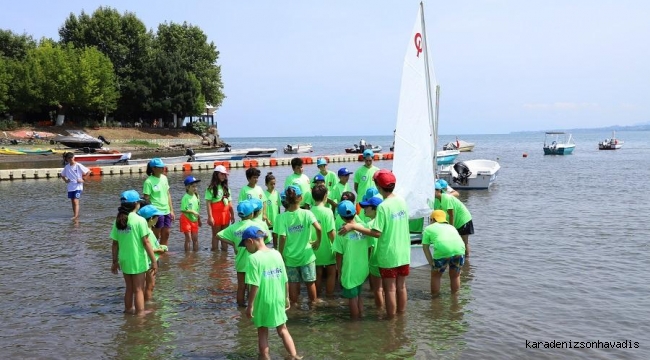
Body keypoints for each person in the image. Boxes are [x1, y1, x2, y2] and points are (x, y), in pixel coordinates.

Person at [339, 169, 410, 317]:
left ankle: (391, 320)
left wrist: (354, 226)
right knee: (401, 286)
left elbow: (377, 233)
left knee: (390, 289)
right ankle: (401, 318)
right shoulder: (402, 200)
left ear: (378, 186)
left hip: (389, 254)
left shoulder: (384, 206)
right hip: (404, 252)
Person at [241, 226, 300, 360]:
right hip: (278, 297)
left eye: (244, 244)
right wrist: (286, 297)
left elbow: (254, 284)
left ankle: (266, 357)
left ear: (250, 241)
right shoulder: (276, 253)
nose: (245, 248)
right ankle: (294, 356)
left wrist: (250, 305)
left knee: (262, 331)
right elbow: (285, 278)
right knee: (283, 330)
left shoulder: (253, 259)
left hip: (263, 300)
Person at [110, 190, 157, 315]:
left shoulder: (118, 220)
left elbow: (115, 244)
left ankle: (128, 309)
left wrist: (114, 262)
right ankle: (140, 313)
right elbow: (146, 242)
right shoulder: (140, 220)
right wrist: (153, 261)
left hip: (124, 259)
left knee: (129, 288)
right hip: (137, 259)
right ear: (136, 204)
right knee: (139, 289)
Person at [276, 185, 322, 305]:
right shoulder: (307, 213)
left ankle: (294, 306)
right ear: (300, 198)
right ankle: (314, 304)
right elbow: (319, 228)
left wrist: (280, 254)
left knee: (293, 282)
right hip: (307, 256)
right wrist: (318, 241)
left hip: (290, 257)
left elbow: (283, 237)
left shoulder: (282, 217)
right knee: (310, 282)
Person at [217, 201, 268, 306]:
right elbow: (266, 235)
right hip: (254, 261)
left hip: (240, 261)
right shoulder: (255, 225)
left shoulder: (234, 227)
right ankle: (251, 306)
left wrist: (234, 244)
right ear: (251, 214)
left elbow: (218, 235)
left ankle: (240, 307)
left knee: (241, 286)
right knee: (252, 285)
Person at [333, 201, 370, 319]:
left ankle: (355, 323)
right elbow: (370, 247)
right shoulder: (364, 227)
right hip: (363, 268)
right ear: (355, 213)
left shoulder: (341, 233)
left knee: (352, 298)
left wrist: (338, 271)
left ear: (341, 217)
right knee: (359, 295)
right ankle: (361, 316)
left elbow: (338, 255)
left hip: (350, 271)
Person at [422, 210, 466, 296]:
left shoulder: (428, 229)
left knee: (436, 276)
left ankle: (435, 299)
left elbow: (425, 247)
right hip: (460, 250)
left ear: (432, 219)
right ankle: (455, 298)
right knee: (455, 276)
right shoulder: (451, 227)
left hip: (443, 250)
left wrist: (431, 262)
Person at [432, 180, 474, 257]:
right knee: (455, 241)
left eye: (432, 191)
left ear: (438, 190)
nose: (431, 193)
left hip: (463, 220)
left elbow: (451, 214)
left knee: (464, 241)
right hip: (454, 221)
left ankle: (467, 260)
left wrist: (451, 229)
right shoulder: (436, 201)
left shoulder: (447, 198)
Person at [309, 184, 336, 297]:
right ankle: (329, 297)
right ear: (325, 196)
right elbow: (331, 232)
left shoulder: (309, 211)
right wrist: (337, 247)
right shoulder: (328, 212)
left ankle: (317, 297)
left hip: (315, 248)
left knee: (318, 274)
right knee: (331, 273)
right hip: (328, 248)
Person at [137, 204, 168, 301]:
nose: (158, 219)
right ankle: (148, 303)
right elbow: (146, 247)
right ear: (151, 219)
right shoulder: (147, 232)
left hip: (149, 260)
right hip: (150, 262)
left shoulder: (148, 230)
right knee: (150, 285)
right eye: (157, 217)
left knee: (149, 285)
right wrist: (159, 250)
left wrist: (159, 247)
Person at [359, 196, 384, 309]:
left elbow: (369, 247)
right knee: (389, 289)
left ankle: (380, 311)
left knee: (377, 289)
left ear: (374, 209)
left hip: (375, 260)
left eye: (366, 207)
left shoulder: (369, 225)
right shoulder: (385, 221)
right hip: (387, 259)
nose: (364, 209)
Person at [143, 158, 175, 247]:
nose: (163, 168)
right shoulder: (148, 181)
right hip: (156, 211)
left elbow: (168, 194)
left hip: (166, 210)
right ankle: (154, 251)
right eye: (160, 167)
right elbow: (146, 199)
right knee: (156, 235)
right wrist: (150, 214)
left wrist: (171, 210)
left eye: (163, 167)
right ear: (153, 168)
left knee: (166, 233)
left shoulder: (164, 178)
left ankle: (164, 251)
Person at [206, 165, 235, 251]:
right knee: (216, 235)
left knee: (224, 235)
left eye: (225, 174)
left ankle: (224, 256)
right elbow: (208, 203)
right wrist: (210, 217)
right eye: (221, 174)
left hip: (226, 215)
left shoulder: (226, 188)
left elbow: (230, 203)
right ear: (216, 174)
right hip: (216, 215)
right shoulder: (211, 188)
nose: (223, 176)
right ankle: (215, 255)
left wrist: (232, 215)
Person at [60, 152, 90, 220]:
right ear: (67, 159)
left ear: (74, 157)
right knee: (72, 201)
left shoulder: (78, 165)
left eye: (71, 158)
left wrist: (84, 179)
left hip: (78, 186)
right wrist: (65, 180)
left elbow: (88, 171)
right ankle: (75, 215)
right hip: (70, 186)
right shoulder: (67, 167)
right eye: (69, 158)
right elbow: (62, 175)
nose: (71, 159)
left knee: (75, 201)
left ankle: (76, 216)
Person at [180, 176, 202, 252]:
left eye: (196, 186)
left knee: (195, 238)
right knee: (188, 238)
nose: (195, 188)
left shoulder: (197, 196)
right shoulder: (185, 197)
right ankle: (187, 255)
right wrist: (192, 212)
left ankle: (195, 255)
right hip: (186, 219)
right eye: (193, 186)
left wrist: (199, 220)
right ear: (187, 187)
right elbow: (183, 210)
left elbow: (197, 209)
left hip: (194, 220)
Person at [264, 172, 281, 248]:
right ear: (266, 184)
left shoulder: (277, 193)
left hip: (276, 220)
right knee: (265, 237)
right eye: (271, 184)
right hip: (267, 221)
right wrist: (266, 219)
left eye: (274, 184)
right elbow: (262, 209)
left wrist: (279, 219)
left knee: (275, 237)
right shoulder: (264, 194)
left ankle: (275, 250)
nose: (273, 186)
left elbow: (279, 207)